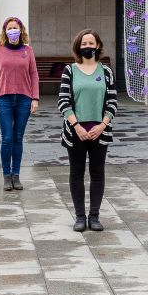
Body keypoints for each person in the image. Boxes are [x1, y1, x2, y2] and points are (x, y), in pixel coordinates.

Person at [58, 29, 117, 233]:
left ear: (98, 46)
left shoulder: (106, 71)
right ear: (78, 46)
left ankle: (94, 216)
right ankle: (80, 217)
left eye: (91, 43)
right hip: (76, 130)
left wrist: (102, 125)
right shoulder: (70, 70)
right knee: (76, 173)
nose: (88, 47)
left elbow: (112, 102)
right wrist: (77, 126)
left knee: (97, 173)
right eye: (84, 44)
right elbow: (63, 102)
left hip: (100, 130)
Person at [0, 16, 39, 192]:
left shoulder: (28, 50)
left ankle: (16, 175)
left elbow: (34, 74)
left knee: (18, 137)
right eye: (9, 28)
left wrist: (35, 98)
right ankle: (6, 175)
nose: (12, 31)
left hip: (24, 98)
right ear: (5, 31)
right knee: (7, 137)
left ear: (21, 30)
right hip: (4, 98)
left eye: (15, 27)